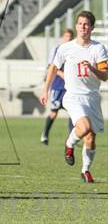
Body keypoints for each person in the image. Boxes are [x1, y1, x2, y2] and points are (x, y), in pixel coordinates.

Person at [40, 11, 108, 183]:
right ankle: (69, 144)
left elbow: (105, 75)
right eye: (80, 24)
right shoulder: (65, 48)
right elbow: (53, 69)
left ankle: (85, 170)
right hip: (73, 97)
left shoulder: (98, 49)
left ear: (92, 27)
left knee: (91, 138)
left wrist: (93, 69)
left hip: (92, 98)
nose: (82, 27)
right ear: (77, 26)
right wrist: (45, 90)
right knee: (83, 127)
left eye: (86, 24)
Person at [40, 29, 74, 145]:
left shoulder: (73, 50)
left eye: (70, 37)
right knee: (54, 112)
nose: (68, 39)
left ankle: (71, 138)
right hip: (58, 86)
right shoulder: (57, 49)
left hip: (69, 87)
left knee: (72, 111)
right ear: (63, 37)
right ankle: (45, 135)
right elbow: (51, 67)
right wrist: (63, 75)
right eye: (66, 36)